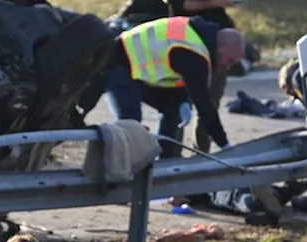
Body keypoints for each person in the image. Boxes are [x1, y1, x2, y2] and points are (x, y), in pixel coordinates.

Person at [158, 0, 239, 155]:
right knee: (178, 107)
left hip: (216, 36)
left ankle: (200, 159)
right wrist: (215, 1)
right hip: (184, 37)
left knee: (210, 105)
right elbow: (177, 2)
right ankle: (170, 161)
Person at [103, 15, 245, 160]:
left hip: (135, 68)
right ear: (222, 47)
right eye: (230, 60)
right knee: (130, 123)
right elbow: (204, 106)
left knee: (173, 108)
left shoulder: (196, 36)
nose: (227, 67)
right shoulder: (195, 53)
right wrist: (225, 145)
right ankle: (119, 169)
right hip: (117, 64)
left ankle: (165, 161)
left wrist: (182, 99)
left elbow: (177, 68)